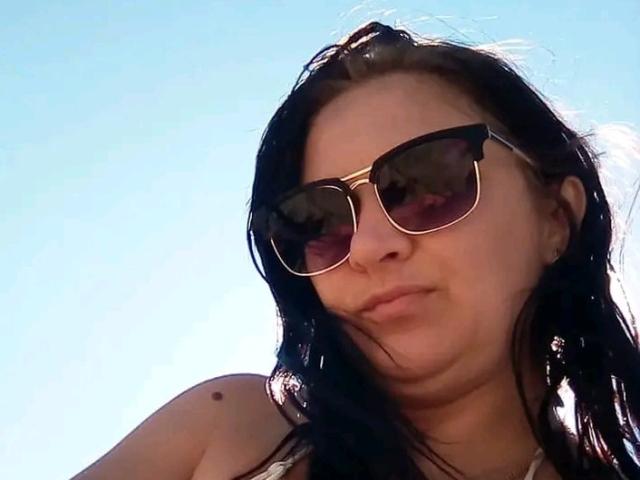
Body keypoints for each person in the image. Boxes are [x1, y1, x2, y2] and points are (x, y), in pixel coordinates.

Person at [71, 21, 640, 480]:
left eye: (423, 185)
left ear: (556, 217)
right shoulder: (225, 435)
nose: (368, 247)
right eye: (317, 221)